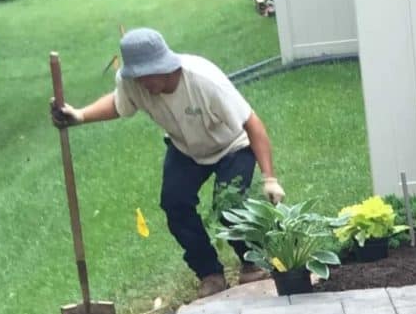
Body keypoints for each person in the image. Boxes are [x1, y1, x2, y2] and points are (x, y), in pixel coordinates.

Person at [50, 27, 283, 298]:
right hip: (186, 148)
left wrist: (270, 178)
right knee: (175, 203)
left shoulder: (204, 80)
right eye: (137, 75)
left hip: (232, 145)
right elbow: (118, 104)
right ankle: (209, 272)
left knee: (228, 205)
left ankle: (252, 260)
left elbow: (252, 124)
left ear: (165, 65)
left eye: (148, 75)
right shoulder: (133, 82)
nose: (143, 83)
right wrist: (79, 115)